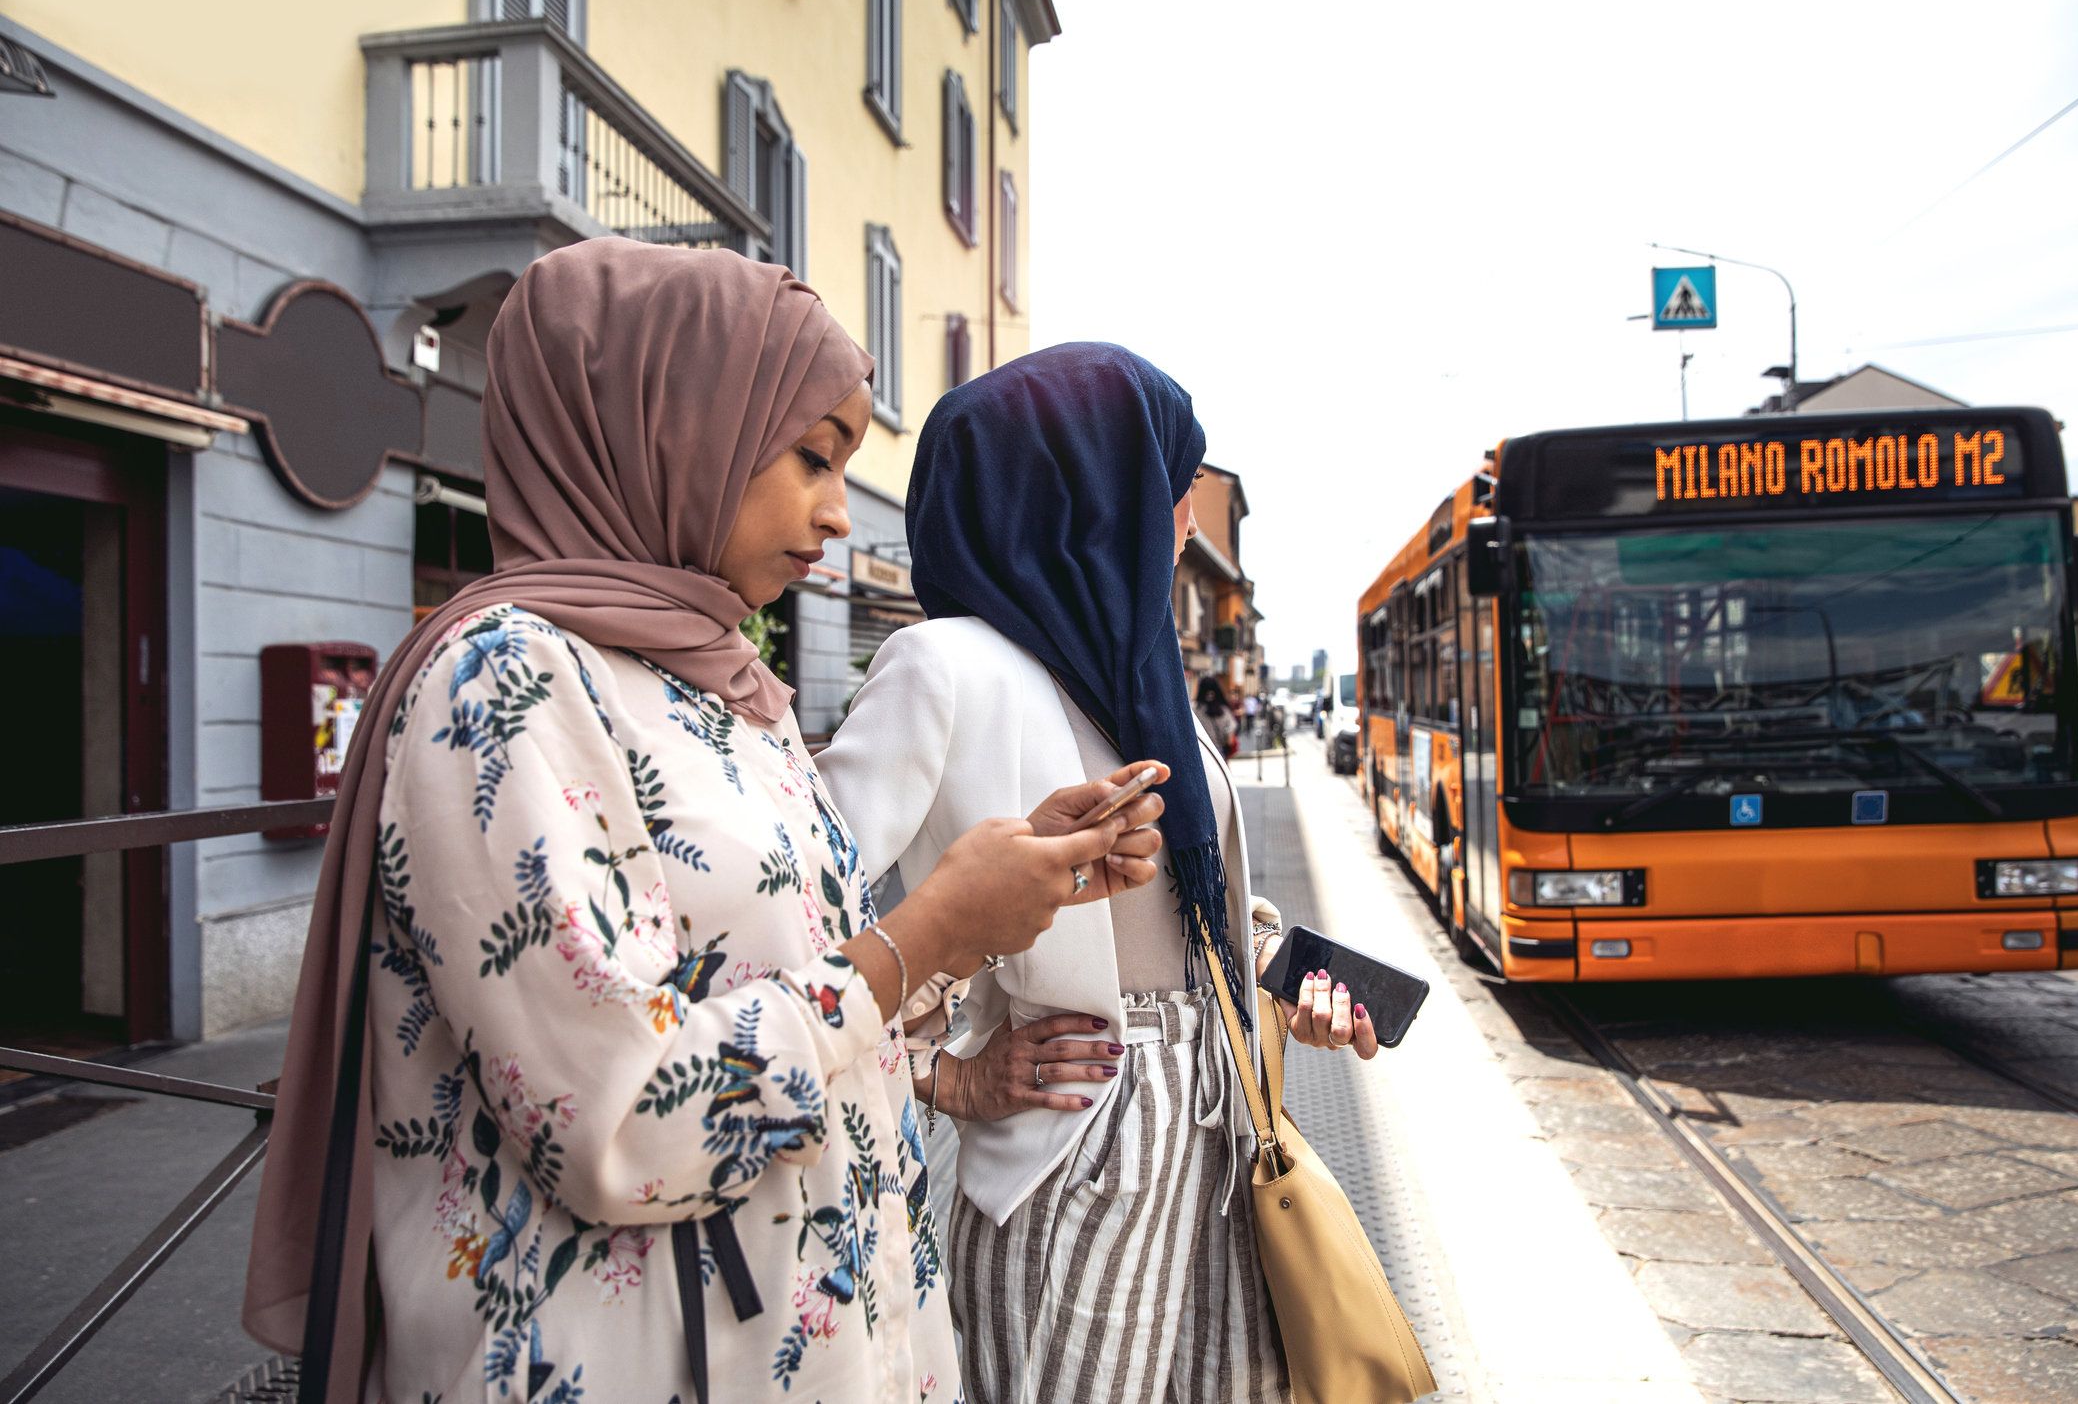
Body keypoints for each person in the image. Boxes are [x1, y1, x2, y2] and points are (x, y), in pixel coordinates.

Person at [242, 242, 1162, 1404]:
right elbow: (621, 1121)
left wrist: (998, 910)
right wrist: (929, 931)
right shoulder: (506, 681)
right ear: (671, 421)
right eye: (813, 456)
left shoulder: (721, 686)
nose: (838, 513)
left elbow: (793, 973)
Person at [819, 344, 1381, 1404]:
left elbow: (1182, 901)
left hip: (1222, 1123)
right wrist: (944, 1074)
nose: (1186, 523)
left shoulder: (1137, 667)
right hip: (1078, 1132)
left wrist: (1279, 971)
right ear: (1093, 490)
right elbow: (795, 911)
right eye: (1172, 483)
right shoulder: (944, 664)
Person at [1195, 674, 1240, 759]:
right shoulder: (1224, 711)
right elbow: (1230, 740)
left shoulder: (1195, 710)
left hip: (1200, 755)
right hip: (1218, 755)